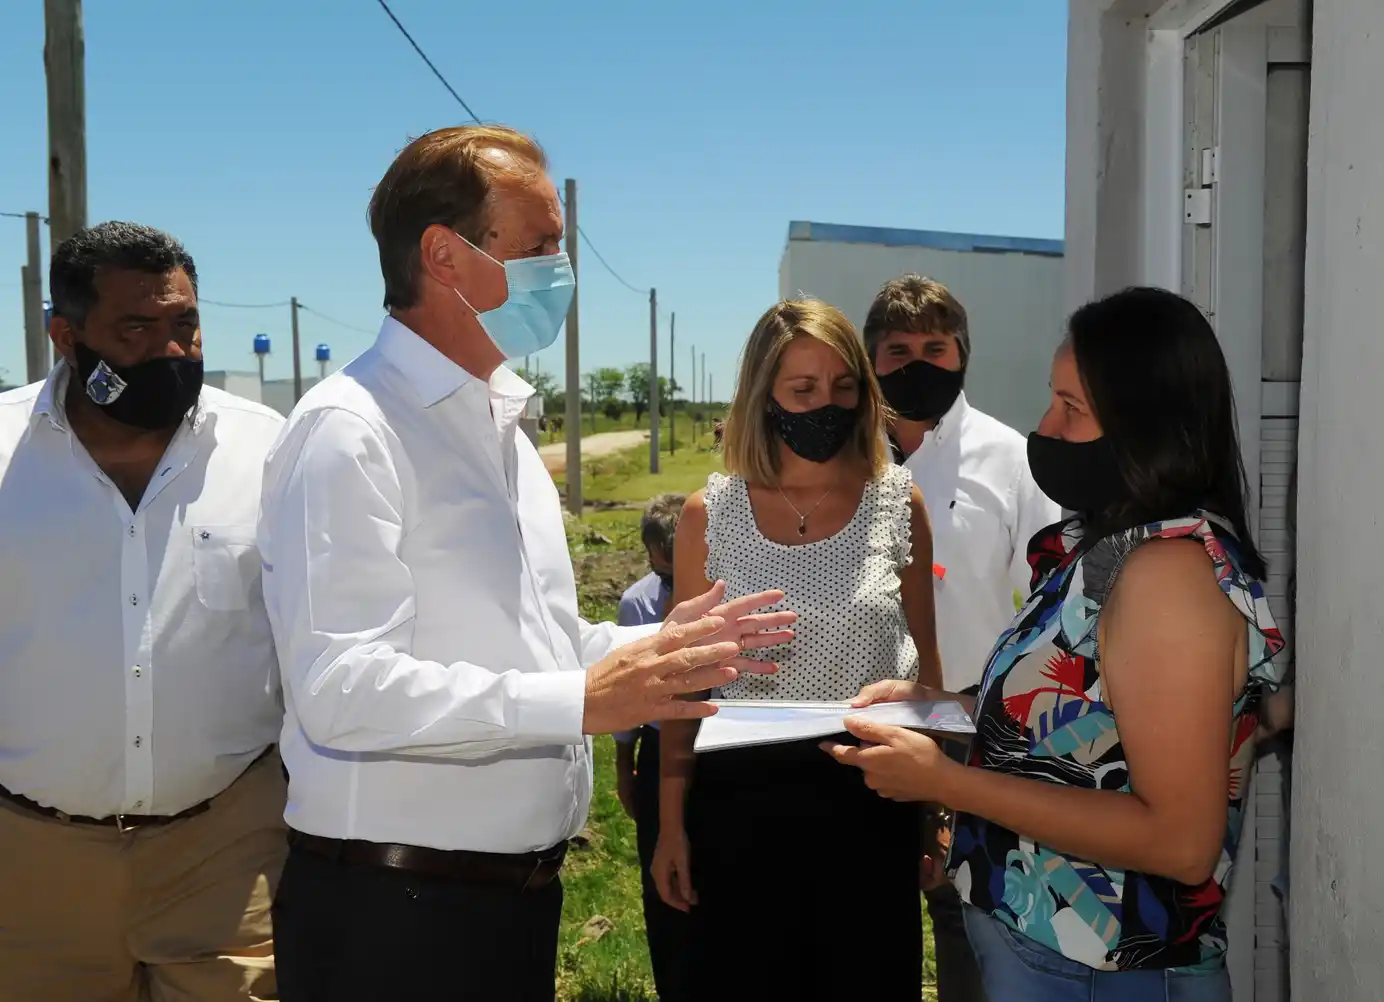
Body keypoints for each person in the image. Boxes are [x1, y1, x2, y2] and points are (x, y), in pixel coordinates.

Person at [257, 124, 795, 1002]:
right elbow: (341, 688)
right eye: (541, 244)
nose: (561, 270)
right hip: (394, 918)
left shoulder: (497, 427)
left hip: (504, 904)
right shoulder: (351, 432)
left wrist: (654, 648)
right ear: (444, 255)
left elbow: (531, 639)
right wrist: (584, 700)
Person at [826, 287, 1286, 1002]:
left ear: (1146, 424)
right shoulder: (1108, 546)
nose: (1045, 426)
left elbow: (1180, 842)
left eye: (1072, 409)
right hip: (1045, 955)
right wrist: (939, 707)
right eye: (1053, 400)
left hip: (1103, 973)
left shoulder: (1169, 575)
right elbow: (1076, 721)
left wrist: (946, 783)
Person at [0, 221, 288, 1001]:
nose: (172, 350)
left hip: (225, 854)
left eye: (185, 324)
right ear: (66, 336)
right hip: (30, 866)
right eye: (137, 328)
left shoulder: (269, 450)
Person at [652, 299, 943, 1002]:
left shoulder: (898, 502)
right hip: (739, 811)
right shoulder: (708, 515)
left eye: (845, 387)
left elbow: (926, 669)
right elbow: (686, 688)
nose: (827, 405)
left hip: (870, 802)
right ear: (764, 395)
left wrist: (937, 805)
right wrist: (670, 824)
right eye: (804, 390)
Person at [864, 274, 1060, 1002]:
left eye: (936, 348)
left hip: (969, 726)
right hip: (864, 719)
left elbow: (1049, 604)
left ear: (963, 355)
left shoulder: (1011, 460)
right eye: (898, 350)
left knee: (968, 918)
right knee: (866, 913)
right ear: (872, 360)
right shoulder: (850, 463)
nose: (918, 364)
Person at [611, 493, 691, 1002]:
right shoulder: (636, 603)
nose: (670, 590)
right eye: (663, 575)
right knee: (661, 875)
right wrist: (624, 765)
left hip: (717, 751)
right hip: (661, 747)